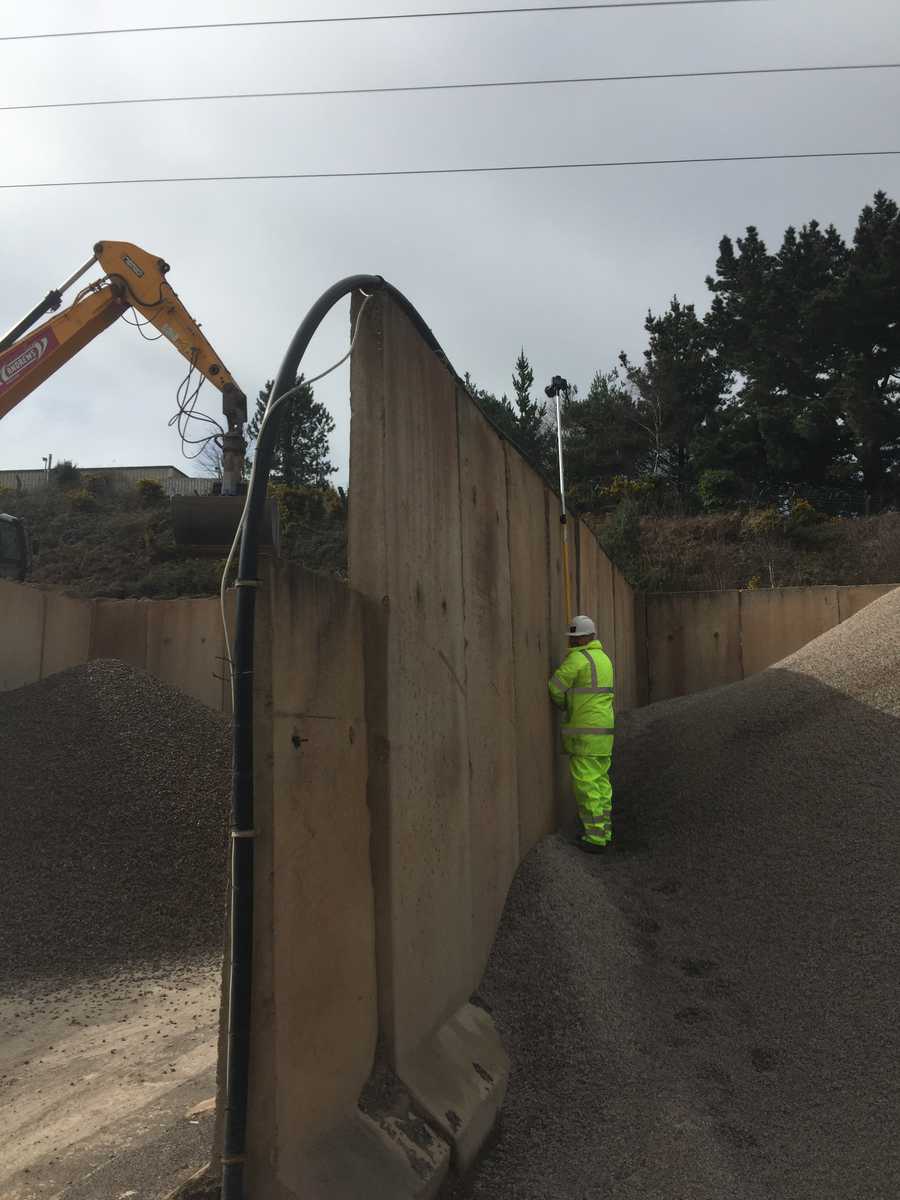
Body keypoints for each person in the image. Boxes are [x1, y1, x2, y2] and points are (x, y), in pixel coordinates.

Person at [548, 615, 615, 854]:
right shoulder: (604, 659)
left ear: (584, 638)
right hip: (604, 732)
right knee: (601, 782)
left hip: (584, 733)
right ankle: (604, 831)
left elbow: (555, 687)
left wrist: (564, 704)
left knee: (586, 783)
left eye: (575, 638)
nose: (573, 643)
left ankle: (594, 838)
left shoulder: (577, 659)